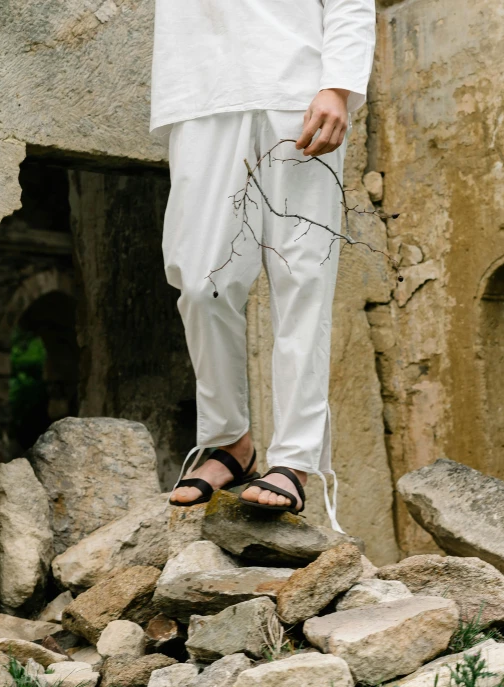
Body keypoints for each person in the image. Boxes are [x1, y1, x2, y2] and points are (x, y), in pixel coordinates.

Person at [150, 0, 376, 530]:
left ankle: (295, 461)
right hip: (197, 93)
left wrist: (338, 84)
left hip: (295, 90)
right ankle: (231, 443)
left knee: (302, 279)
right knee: (199, 279)